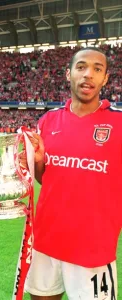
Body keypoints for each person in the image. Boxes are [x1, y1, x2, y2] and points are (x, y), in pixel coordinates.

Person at [25, 47, 121, 299]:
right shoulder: (48, 121)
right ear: (68, 74)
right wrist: (37, 161)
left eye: (97, 69)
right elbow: (45, 179)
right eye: (81, 67)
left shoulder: (119, 124)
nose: (88, 74)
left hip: (93, 249)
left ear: (105, 78)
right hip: (46, 241)